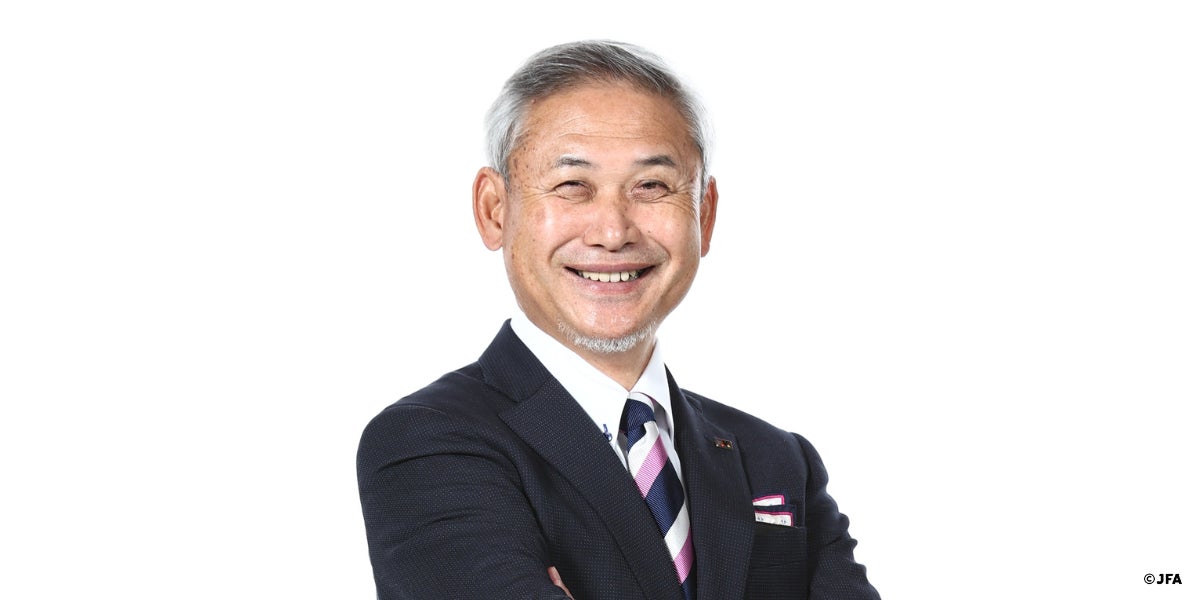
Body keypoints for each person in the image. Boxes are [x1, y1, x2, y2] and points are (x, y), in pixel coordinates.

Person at [357, 40, 880, 600]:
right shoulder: (429, 444)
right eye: (572, 186)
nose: (613, 232)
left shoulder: (777, 461)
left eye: (651, 186)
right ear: (494, 209)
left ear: (703, 214)